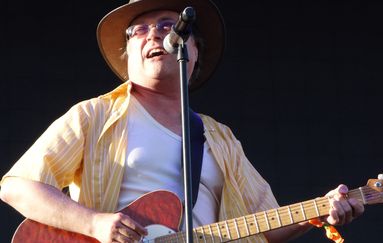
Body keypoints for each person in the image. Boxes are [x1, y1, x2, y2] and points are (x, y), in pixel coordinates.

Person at [0, 0, 364, 242]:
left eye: (166, 26)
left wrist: (322, 210)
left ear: (193, 52)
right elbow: (17, 186)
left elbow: (264, 223)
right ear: (127, 55)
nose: (155, 34)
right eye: (138, 31)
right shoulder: (94, 116)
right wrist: (94, 224)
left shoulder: (220, 139)